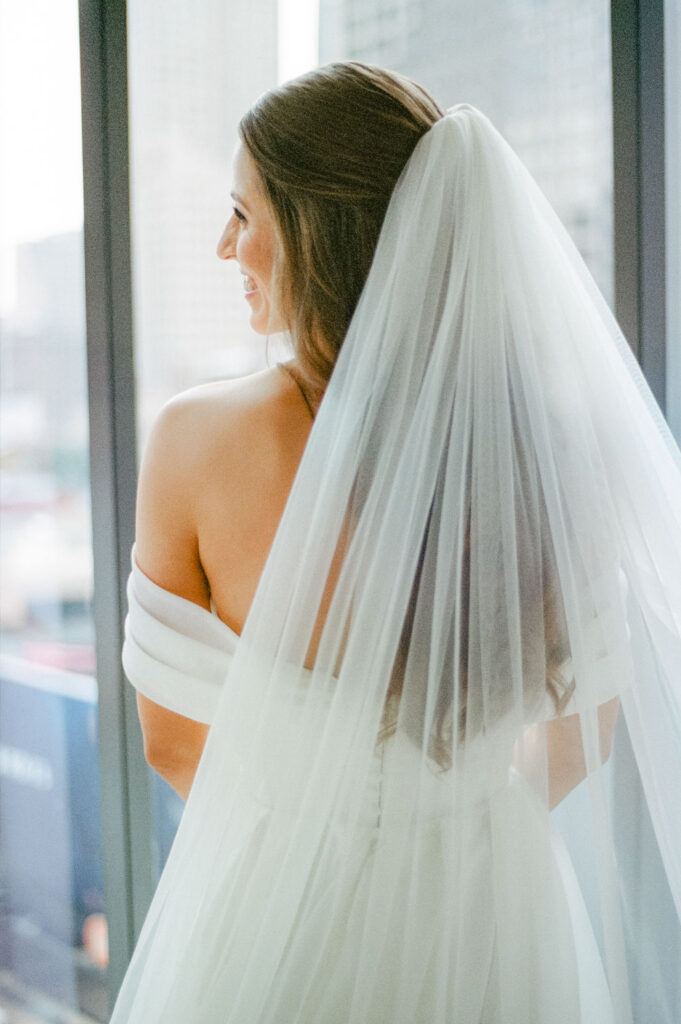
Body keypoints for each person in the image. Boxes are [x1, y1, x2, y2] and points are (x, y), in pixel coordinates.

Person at [115, 63, 681, 1022]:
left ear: (318, 233)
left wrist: (324, 840)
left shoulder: (198, 440)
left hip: (280, 915)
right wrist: (445, 828)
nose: (224, 245)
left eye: (243, 215)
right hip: (490, 909)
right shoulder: (552, 449)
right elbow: (583, 731)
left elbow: (171, 742)